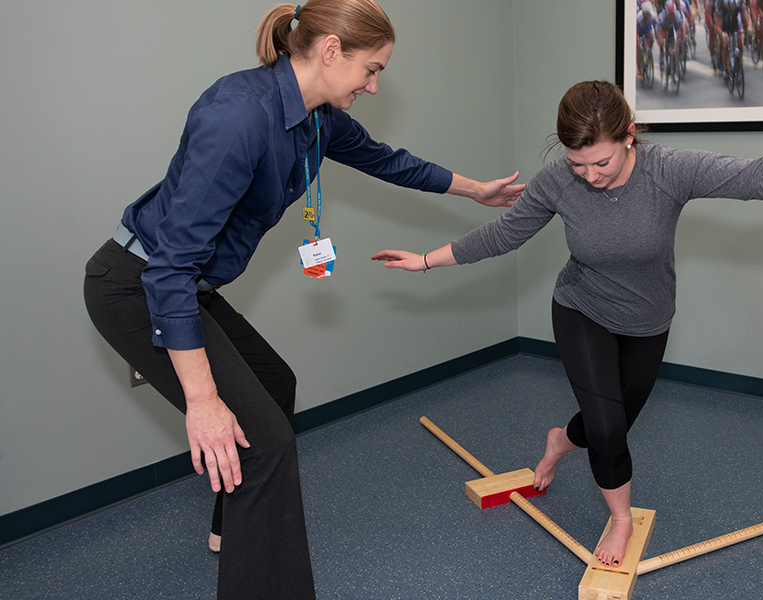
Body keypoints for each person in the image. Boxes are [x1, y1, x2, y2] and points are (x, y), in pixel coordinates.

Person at [372, 80, 763, 568]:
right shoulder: (557, 182)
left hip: (648, 320)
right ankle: (619, 518)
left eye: (602, 161)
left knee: (611, 419)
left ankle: (557, 441)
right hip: (582, 308)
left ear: (629, 138)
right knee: (608, 426)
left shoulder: (669, 171)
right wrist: (426, 261)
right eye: (578, 164)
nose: (590, 175)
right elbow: (503, 235)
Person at [83, 1, 523, 598]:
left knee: (273, 384)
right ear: (331, 50)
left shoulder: (316, 119)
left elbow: (388, 161)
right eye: (372, 70)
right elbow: (170, 269)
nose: (373, 85)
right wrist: (203, 399)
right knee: (265, 442)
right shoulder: (240, 115)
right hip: (138, 286)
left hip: (183, 284)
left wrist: (477, 191)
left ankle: (232, 530)